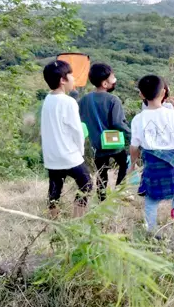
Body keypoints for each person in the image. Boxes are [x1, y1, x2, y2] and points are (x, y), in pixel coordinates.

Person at [130, 75, 174, 231]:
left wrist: (133, 164)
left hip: (152, 165)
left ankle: (151, 229)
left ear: (141, 94)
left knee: (150, 199)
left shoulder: (137, 119)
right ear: (163, 92)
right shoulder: (172, 114)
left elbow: (134, 148)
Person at [41, 60, 93, 218]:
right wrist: (80, 151)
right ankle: (77, 219)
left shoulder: (48, 99)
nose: (73, 78)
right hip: (69, 154)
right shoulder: (69, 102)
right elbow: (77, 131)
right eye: (71, 75)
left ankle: (54, 221)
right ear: (63, 80)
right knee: (87, 184)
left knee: (55, 190)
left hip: (52, 155)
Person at [78, 63, 131, 201]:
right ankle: (120, 190)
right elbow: (118, 123)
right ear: (105, 83)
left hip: (97, 146)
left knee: (101, 175)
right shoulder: (114, 100)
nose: (115, 80)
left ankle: (102, 202)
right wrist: (131, 134)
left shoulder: (84, 100)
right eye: (112, 77)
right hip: (115, 144)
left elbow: (80, 120)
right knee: (124, 164)